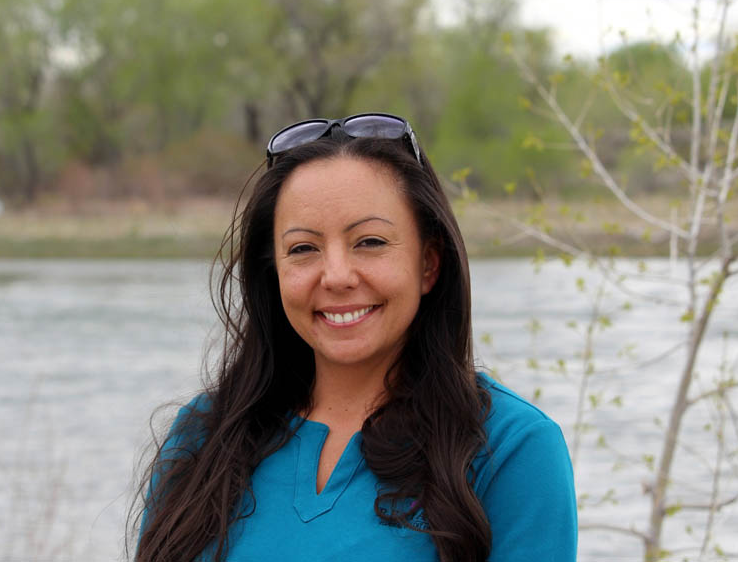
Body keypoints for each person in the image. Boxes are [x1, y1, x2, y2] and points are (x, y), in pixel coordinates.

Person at [132, 113, 577, 562]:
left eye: (370, 242)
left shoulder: (511, 448)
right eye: (303, 248)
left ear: (429, 264)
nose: (337, 276)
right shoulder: (203, 433)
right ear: (275, 272)